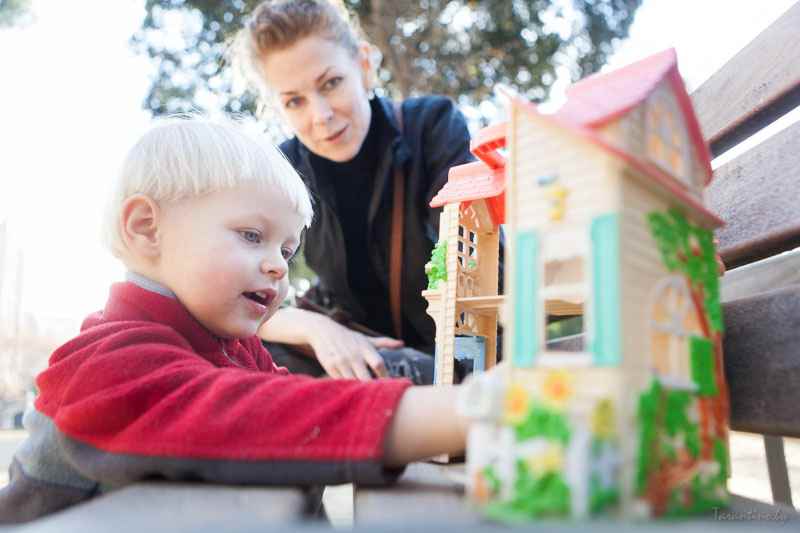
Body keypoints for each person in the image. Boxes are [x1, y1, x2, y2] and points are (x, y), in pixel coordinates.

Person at [0, 118, 474, 524]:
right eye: (252, 236)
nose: (278, 267)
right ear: (146, 227)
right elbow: (249, 416)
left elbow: (294, 397)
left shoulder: (229, 345)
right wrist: (469, 411)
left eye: (287, 251)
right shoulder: (105, 360)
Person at [236, 0, 479, 383]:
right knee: (241, 353)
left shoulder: (432, 126)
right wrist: (317, 329)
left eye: (330, 84)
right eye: (294, 101)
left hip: (455, 349)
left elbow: (477, 260)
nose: (320, 116)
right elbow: (240, 295)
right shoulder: (283, 173)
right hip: (355, 354)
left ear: (364, 66)